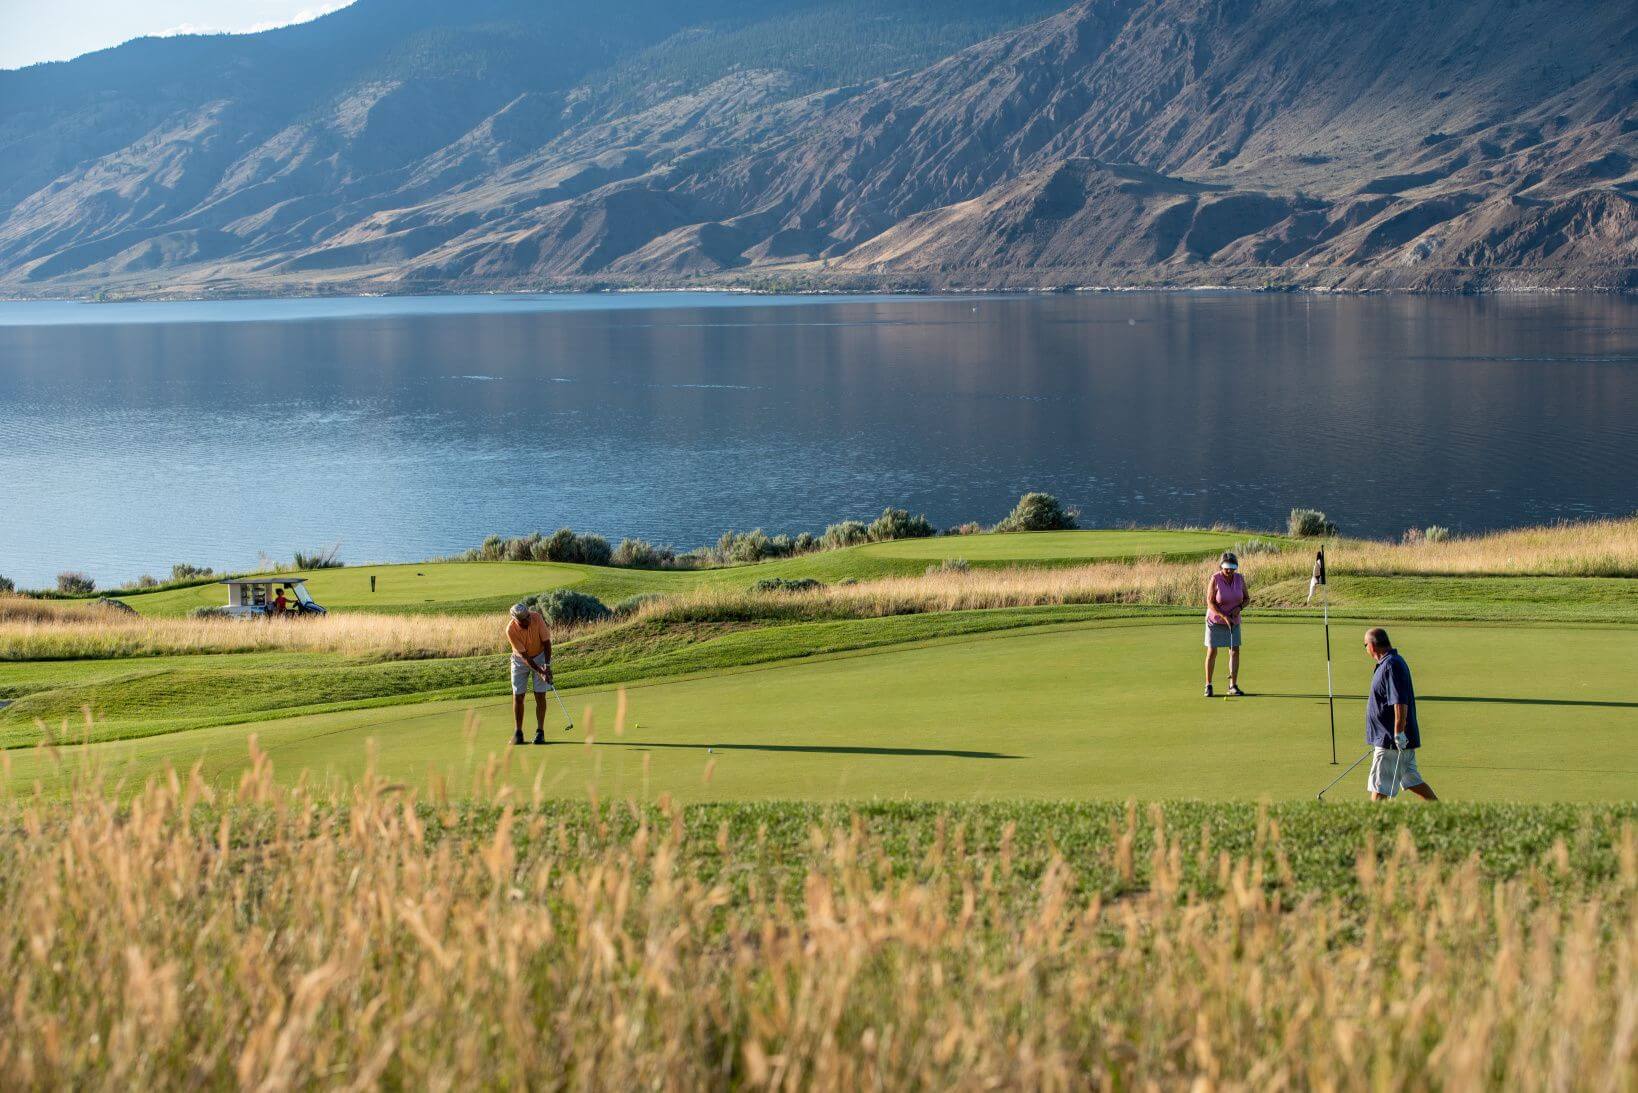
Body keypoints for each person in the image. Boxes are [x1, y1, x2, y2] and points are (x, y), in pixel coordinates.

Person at [1363, 626, 1437, 801]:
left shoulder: (1391, 665)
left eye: (1364, 645)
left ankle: (1370, 827)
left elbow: (1399, 702)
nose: (1365, 649)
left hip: (1392, 741)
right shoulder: (1388, 663)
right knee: (1412, 781)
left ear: (1372, 646)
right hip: (1393, 739)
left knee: (1379, 789)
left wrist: (1398, 733)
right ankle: (1446, 817)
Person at [1203, 551, 1250, 697]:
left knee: (1235, 650)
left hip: (1234, 621)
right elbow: (1210, 602)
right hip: (1215, 621)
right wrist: (1224, 616)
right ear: (1221, 566)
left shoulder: (1239, 578)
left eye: (1232, 568)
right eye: (1227, 568)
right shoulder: (1215, 578)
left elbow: (1247, 598)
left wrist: (1239, 608)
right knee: (1212, 651)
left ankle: (1233, 686)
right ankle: (1208, 685)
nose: (1229, 571)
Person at [506, 601, 553, 745]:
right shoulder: (510, 630)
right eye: (524, 619)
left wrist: (547, 666)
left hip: (540, 656)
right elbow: (525, 657)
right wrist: (540, 671)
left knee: (540, 694)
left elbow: (547, 643)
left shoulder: (536, 618)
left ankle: (540, 732)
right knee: (518, 696)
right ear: (516, 620)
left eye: (528, 616)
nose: (528, 620)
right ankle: (518, 733)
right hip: (520, 660)